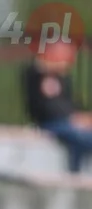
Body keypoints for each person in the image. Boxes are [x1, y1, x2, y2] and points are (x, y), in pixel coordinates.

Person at [23, 35, 92, 173]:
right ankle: (74, 174)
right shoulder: (37, 74)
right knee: (81, 137)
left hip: (65, 121)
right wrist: (73, 119)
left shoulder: (63, 79)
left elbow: (69, 104)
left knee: (81, 137)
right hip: (50, 123)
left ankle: (75, 171)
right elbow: (48, 108)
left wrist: (81, 118)